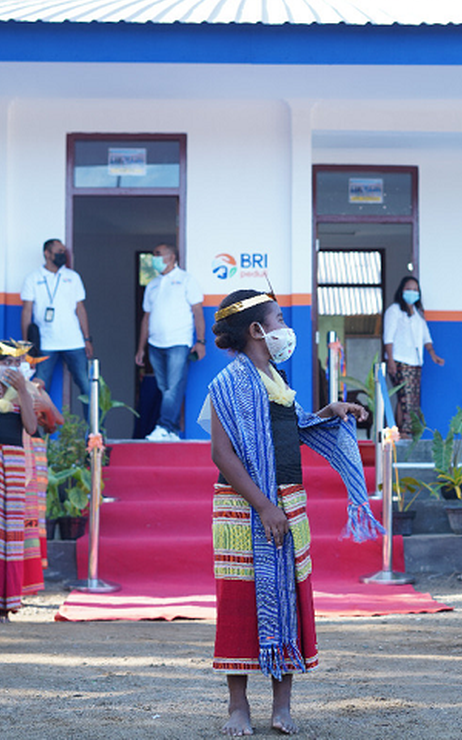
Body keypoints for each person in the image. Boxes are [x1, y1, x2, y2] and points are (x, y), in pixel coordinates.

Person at [201, 289, 382, 736]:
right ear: (257, 330)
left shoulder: (277, 379)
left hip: (289, 501)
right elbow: (222, 455)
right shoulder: (228, 383)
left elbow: (293, 428)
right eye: (279, 318)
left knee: (291, 598)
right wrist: (263, 505)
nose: (286, 327)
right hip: (244, 507)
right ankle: (237, 705)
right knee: (239, 601)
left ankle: (282, 705)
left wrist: (328, 412)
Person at [0, 340, 39, 623]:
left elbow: (32, 427)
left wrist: (24, 391)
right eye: (8, 362)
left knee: (9, 534)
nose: (14, 368)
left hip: (13, 463)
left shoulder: (25, 391)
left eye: (17, 362)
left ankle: (7, 604)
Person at [135, 242, 205, 441]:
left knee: (173, 388)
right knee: (165, 388)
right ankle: (172, 431)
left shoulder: (186, 280)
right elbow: (146, 318)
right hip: (155, 344)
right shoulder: (152, 284)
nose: (154, 258)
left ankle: (163, 426)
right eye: (153, 254)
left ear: (172, 257)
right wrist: (141, 347)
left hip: (178, 342)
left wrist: (200, 341)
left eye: (158, 254)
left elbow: (197, 311)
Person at [20, 239, 93, 404]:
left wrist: (87, 338)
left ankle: (94, 428)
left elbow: (80, 309)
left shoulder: (73, 277)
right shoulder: (33, 278)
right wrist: (25, 346)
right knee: (38, 387)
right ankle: (36, 430)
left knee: (87, 387)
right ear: (47, 253)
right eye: (59, 252)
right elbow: (26, 311)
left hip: (74, 341)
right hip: (45, 342)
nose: (63, 255)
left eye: (63, 251)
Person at [382, 276, 444, 439]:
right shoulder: (394, 311)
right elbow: (388, 337)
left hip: (416, 362)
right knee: (405, 398)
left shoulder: (417, 314)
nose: (412, 292)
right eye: (409, 289)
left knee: (410, 400)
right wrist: (391, 362)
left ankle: (401, 431)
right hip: (399, 361)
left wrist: (433, 355)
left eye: (415, 290)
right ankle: (403, 432)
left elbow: (426, 337)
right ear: (402, 290)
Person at [23, 354, 63, 599]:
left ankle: (33, 574)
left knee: (35, 514)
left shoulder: (37, 389)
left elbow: (55, 422)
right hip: (13, 450)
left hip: (35, 450)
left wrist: (45, 407)